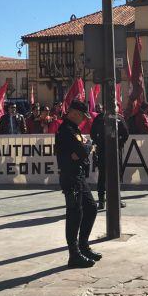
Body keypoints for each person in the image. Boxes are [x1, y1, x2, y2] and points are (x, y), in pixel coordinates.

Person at [55, 100, 101, 268]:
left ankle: (83, 246)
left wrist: (84, 147)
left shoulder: (74, 129)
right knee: (75, 214)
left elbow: (82, 150)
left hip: (79, 175)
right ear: (73, 113)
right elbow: (83, 151)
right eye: (82, 116)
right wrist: (86, 147)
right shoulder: (66, 130)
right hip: (70, 176)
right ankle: (74, 254)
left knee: (91, 208)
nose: (83, 120)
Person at [90, 104, 129, 210]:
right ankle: (108, 200)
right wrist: (117, 144)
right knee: (110, 176)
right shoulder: (105, 118)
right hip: (109, 152)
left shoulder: (115, 118)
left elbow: (125, 134)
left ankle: (105, 201)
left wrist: (116, 143)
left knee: (106, 176)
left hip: (108, 151)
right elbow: (125, 134)